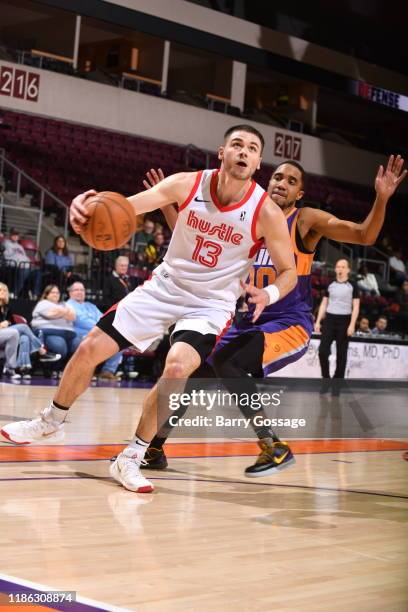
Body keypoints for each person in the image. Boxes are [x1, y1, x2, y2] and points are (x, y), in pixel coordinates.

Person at [1, 124, 298, 495]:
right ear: (222, 152)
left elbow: (289, 271)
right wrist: (85, 205)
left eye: (252, 149)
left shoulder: (265, 211)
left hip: (210, 304)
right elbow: (127, 206)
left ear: (257, 164)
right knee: (91, 347)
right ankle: (50, 419)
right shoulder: (186, 184)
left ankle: (132, 457)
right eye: (237, 144)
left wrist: (268, 295)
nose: (244, 151)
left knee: (177, 368)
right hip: (165, 286)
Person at [141, 154, 406, 475]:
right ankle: (154, 448)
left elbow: (365, 236)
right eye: (278, 177)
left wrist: (381, 198)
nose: (282, 183)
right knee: (193, 373)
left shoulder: (305, 220)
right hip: (246, 322)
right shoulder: (251, 217)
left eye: (291, 181)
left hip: (288, 323)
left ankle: (273, 446)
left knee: (229, 363)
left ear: (300, 194)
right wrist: (166, 204)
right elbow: (197, 239)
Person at [315, 259, 360, 393]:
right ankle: (326, 379)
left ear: (348, 270)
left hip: (345, 320)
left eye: (343, 267)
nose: (340, 269)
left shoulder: (353, 285)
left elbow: (356, 306)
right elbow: (324, 303)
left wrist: (352, 325)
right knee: (323, 351)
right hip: (329, 319)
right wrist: (318, 321)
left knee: (342, 354)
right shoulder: (330, 284)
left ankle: (337, 384)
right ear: (335, 269)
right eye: (338, 266)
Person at [0, 282, 60, 378]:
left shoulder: (7, 308)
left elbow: (12, 324)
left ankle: (18, 368)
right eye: (0, 290)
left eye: (4, 290)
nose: (2, 292)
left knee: (24, 337)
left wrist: (8, 324)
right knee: (23, 327)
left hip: (7, 336)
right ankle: (41, 351)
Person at [66, 281, 123, 380]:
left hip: (99, 333)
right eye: (76, 290)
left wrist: (104, 328)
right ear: (70, 293)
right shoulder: (68, 305)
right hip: (80, 334)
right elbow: (80, 321)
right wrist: (102, 328)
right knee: (89, 341)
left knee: (119, 342)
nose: (80, 292)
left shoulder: (90, 305)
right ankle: (84, 372)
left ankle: (107, 372)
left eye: (82, 290)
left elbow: (103, 318)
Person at [30, 285, 79, 370]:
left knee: (78, 345)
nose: (56, 294)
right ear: (46, 294)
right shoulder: (43, 303)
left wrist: (61, 312)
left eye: (57, 292)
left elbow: (73, 317)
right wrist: (65, 312)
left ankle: (68, 370)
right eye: (53, 292)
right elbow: (51, 314)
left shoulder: (65, 304)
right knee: (60, 347)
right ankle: (54, 369)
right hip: (50, 331)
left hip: (69, 333)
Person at [2, 228, 40, 297]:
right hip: (12, 266)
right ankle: (14, 293)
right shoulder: (6, 243)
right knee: (23, 270)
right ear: (10, 235)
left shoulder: (20, 246)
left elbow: (25, 257)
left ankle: (35, 294)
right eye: (13, 234)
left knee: (37, 273)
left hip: (25, 266)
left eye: (17, 235)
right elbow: (7, 258)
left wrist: (28, 264)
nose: (15, 236)